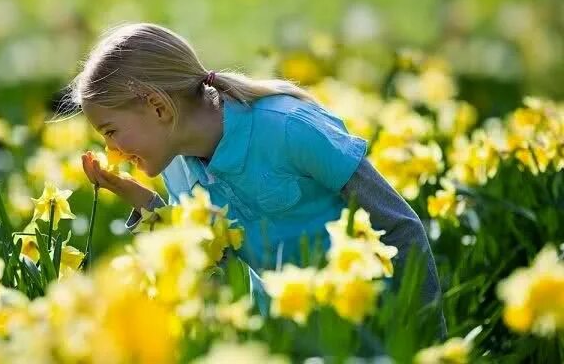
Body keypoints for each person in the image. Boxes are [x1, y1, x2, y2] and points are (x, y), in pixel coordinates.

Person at [71, 22, 446, 339]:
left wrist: (427, 340)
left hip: (370, 335)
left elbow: (400, 227)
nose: (111, 151)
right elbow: (213, 260)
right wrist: (147, 205)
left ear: (157, 106)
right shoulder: (176, 168)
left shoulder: (288, 128)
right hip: (287, 343)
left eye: (110, 130)